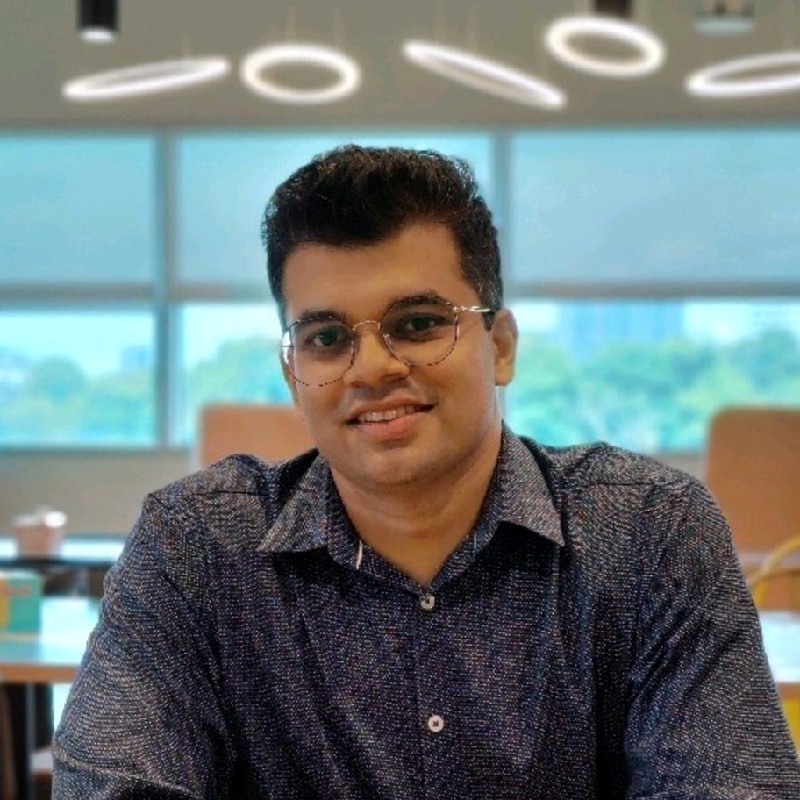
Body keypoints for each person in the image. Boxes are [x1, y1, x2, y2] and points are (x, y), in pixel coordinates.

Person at [53, 145, 800, 798]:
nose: (371, 368)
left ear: (500, 346)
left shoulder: (649, 534)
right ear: (293, 374)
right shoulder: (196, 545)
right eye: (326, 337)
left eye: (417, 324)